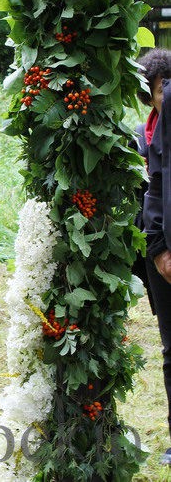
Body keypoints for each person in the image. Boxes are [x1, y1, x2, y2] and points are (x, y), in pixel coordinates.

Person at [139, 48, 171, 465]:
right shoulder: (141, 137)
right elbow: (152, 193)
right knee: (169, 349)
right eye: (162, 88)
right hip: (156, 246)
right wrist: (159, 248)